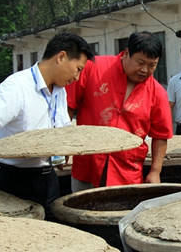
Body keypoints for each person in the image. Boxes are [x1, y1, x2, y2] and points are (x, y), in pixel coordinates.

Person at [0, 32, 94, 220]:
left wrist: (63, 151)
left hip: (48, 176)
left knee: (50, 233)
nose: (77, 77)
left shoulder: (60, 91)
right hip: (16, 180)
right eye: (78, 69)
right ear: (61, 57)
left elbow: (62, 127)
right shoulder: (18, 86)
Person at [67, 31, 173, 191]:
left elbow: (160, 135)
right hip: (87, 163)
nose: (145, 70)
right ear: (127, 53)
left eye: (152, 65)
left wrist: (155, 171)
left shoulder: (158, 93)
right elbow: (68, 106)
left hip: (127, 172)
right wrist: (62, 146)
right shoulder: (93, 68)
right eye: (140, 62)